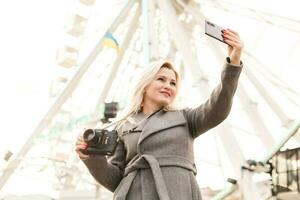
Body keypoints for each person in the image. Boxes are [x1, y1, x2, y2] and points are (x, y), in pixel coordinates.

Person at [75, 29, 244, 200]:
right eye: (161, 79)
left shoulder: (185, 118)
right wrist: (91, 158)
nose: (168, 86)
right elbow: (115, 180)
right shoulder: (123, 125)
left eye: (173, 83)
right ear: (145, 84)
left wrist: (233, 63)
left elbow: (217, 108)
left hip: (177, 193)